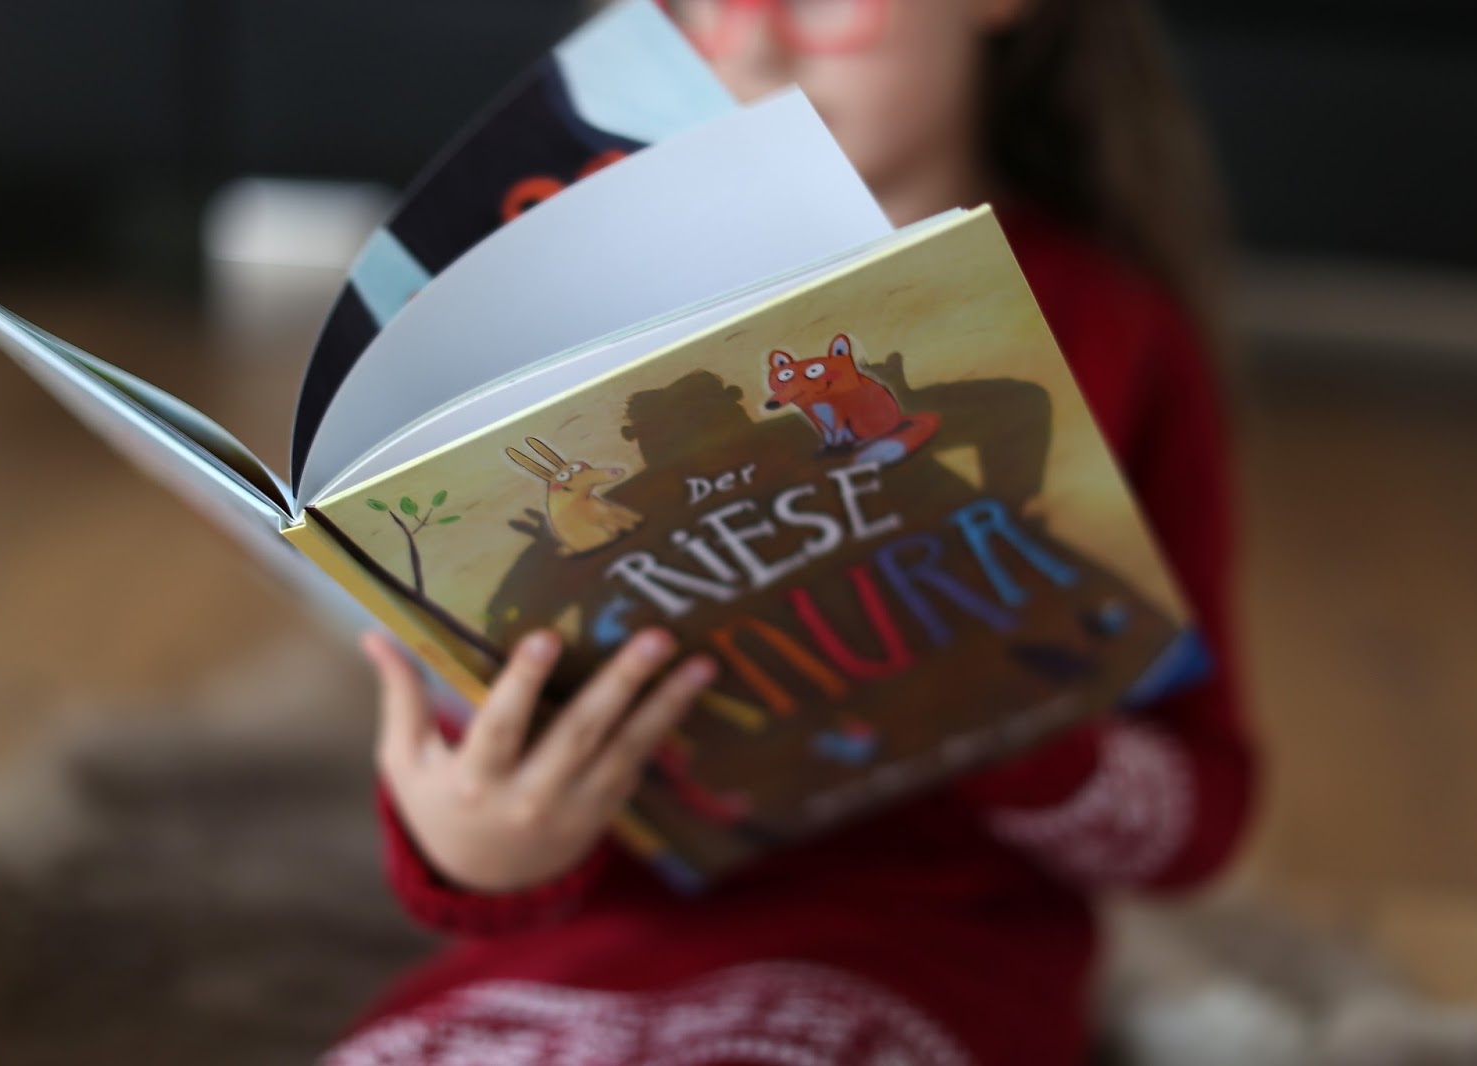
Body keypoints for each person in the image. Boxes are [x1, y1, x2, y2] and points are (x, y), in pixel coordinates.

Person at [324, 0, 1256, 1062]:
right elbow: (490, 781)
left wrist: (1020, 732)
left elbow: (1198, 818)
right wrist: (472, 843)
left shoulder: (1115, 329)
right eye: (698, 2)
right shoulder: (576, 337)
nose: (755, 44)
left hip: (926, 952)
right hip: (564, 968)